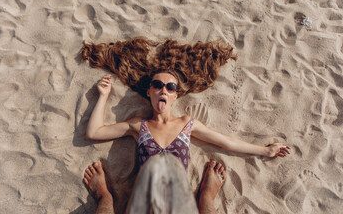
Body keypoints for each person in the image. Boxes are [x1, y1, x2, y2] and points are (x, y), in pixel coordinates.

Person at [80, 38, 290, 213]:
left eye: (170, 87)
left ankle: (206, 197)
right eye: (157, 85)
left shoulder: (187, 124)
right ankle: (105, 196)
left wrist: (264, 150)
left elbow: (225, 142)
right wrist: (103, 96)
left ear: (175, 95)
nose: (163, 90)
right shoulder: (139, 126)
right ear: (149, 92)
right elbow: (94, 132)